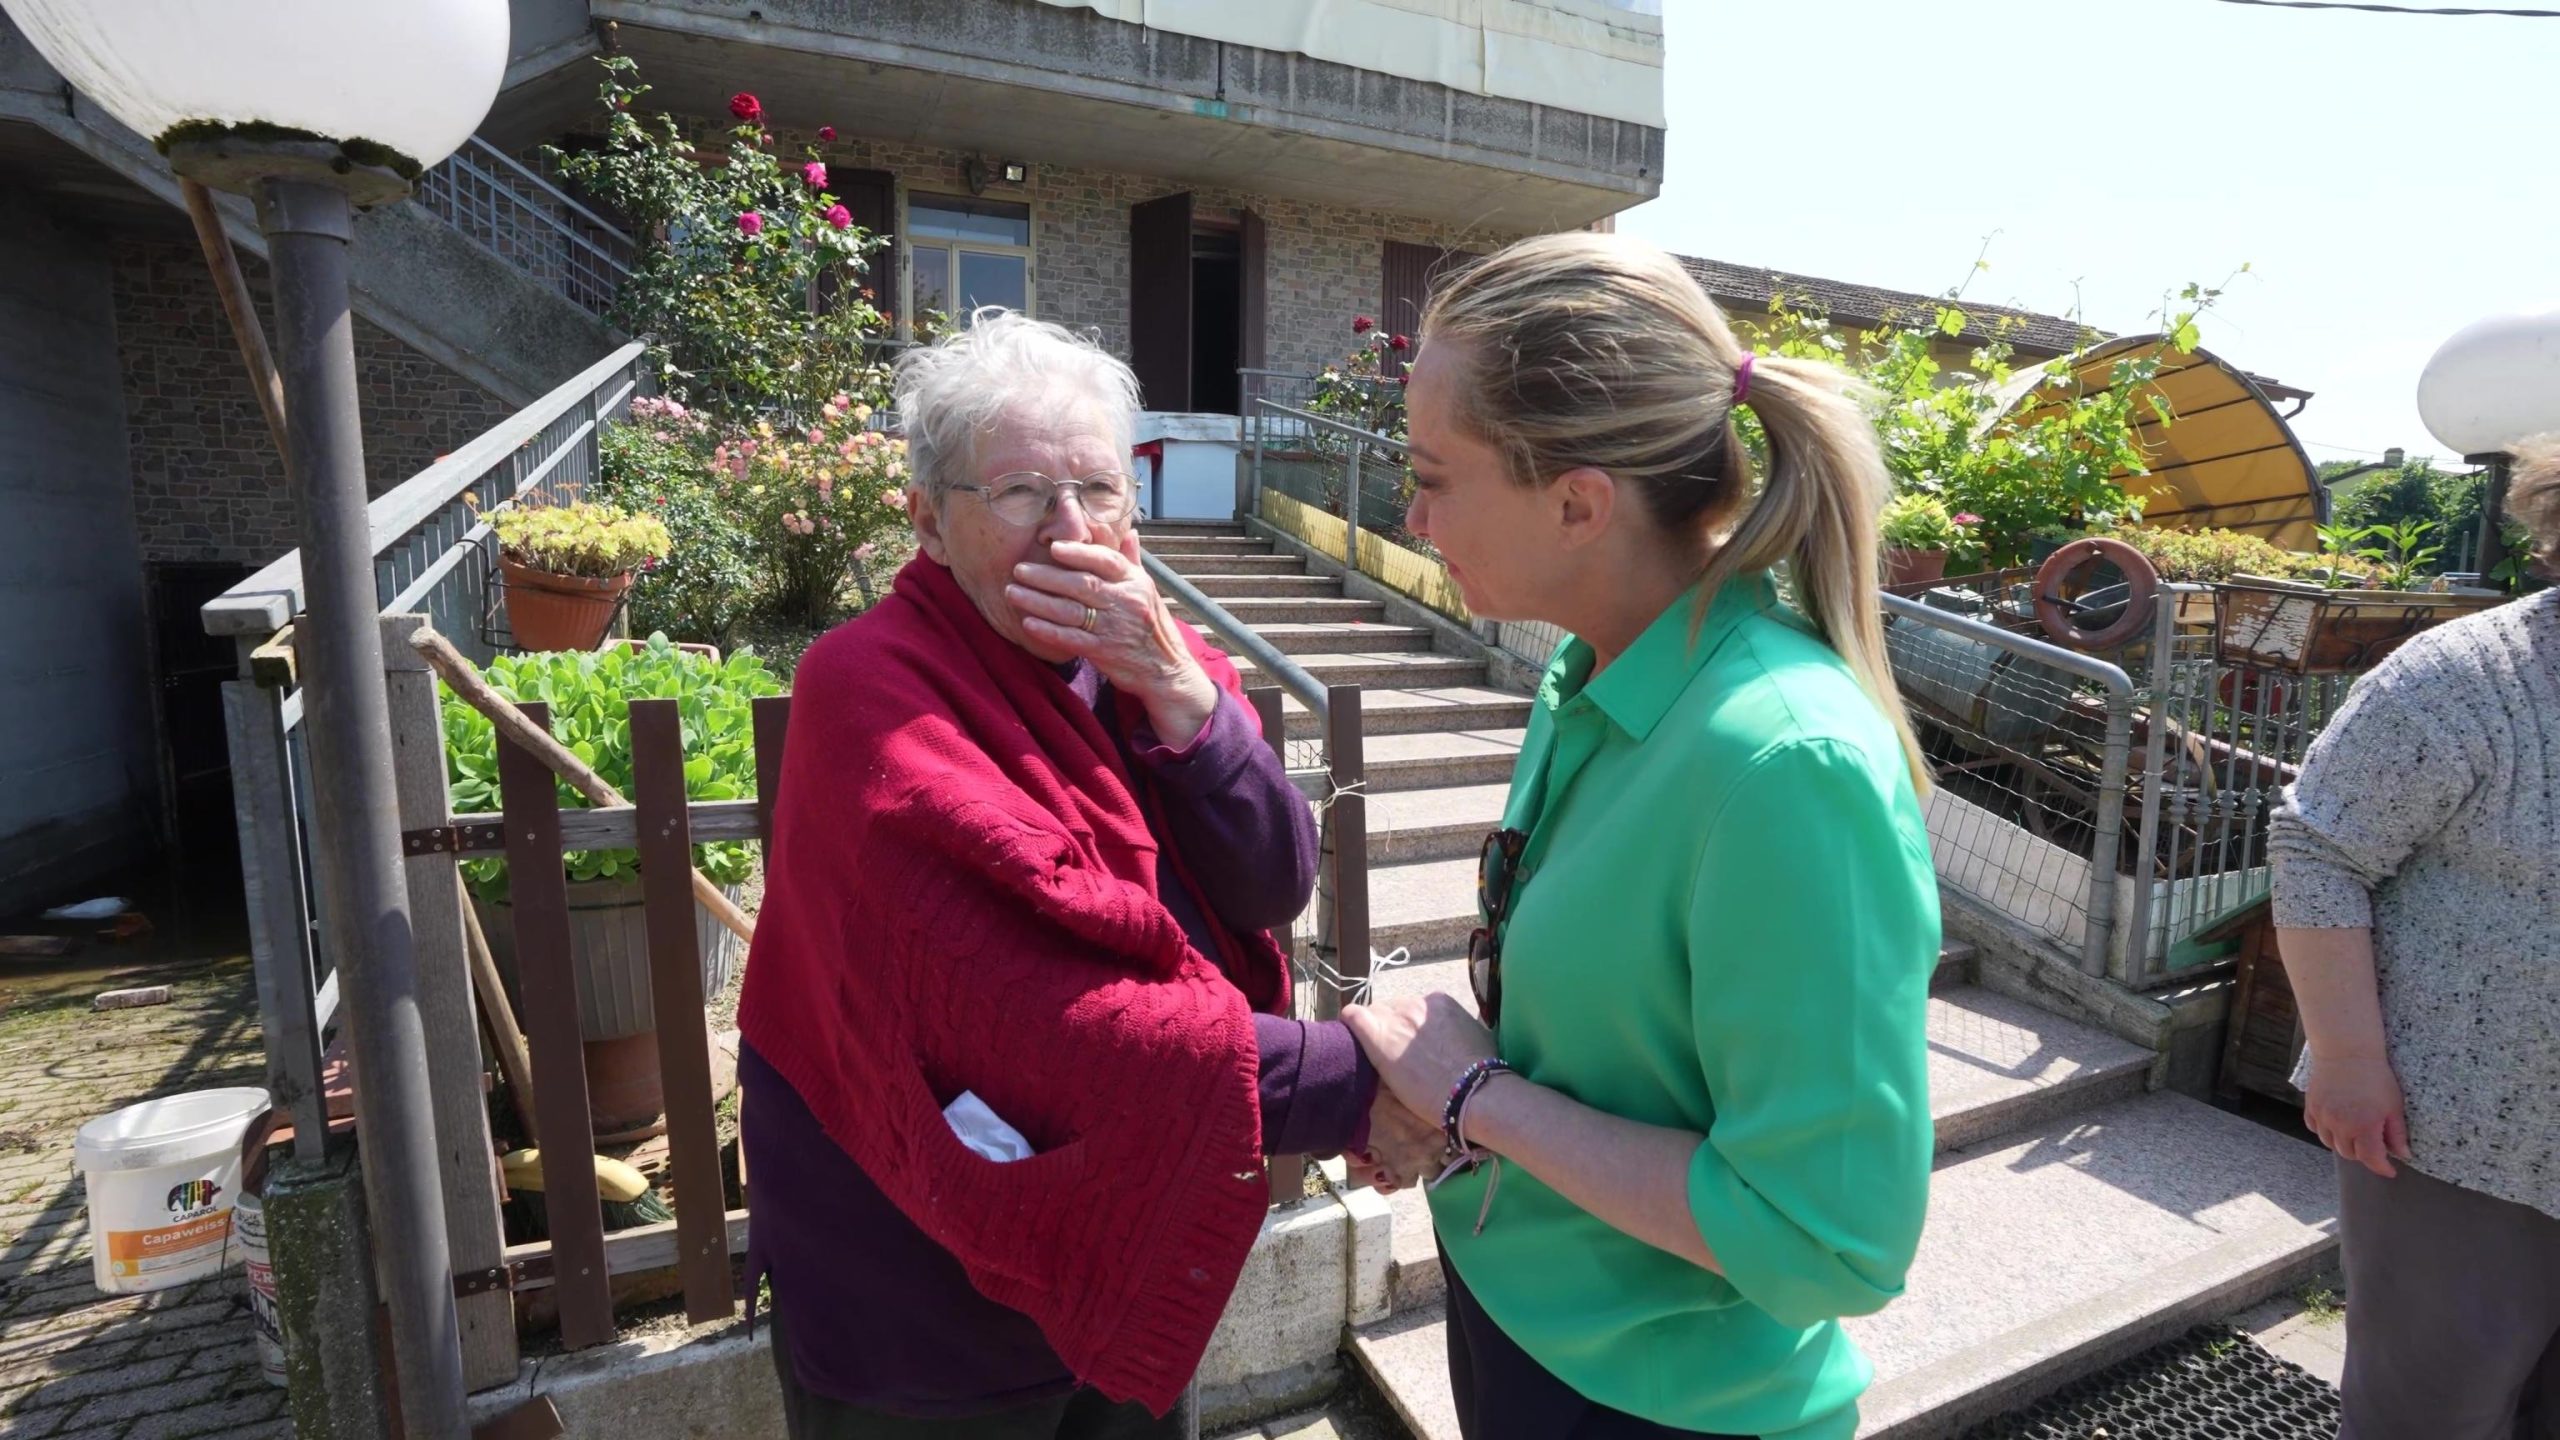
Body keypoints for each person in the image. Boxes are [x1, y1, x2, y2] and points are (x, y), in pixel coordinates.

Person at [736, 312, 1428, 1440]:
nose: (1070, 531)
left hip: (1135, 1221)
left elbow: (1271, 886)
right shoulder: (865, 686)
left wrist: (1184, 699)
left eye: (1101, 490)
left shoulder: (1161, 657)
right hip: (920, 1295)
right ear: (927, 521)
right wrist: (1368, 1078)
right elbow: (1033, 1011)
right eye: (1018, 493)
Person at [1338, 233, 1941, 1440]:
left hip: (1663, 1407)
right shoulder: (1591, 668)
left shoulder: (1782, 761)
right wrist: (1442, 1110)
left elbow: (1827, 1243)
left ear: (1577, 502)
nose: (1409, 508)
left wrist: (1475, 1096)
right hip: (1526, 1329)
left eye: (1434, 472)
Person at [2271, 433, 2560, 1440]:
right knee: (2430, 1414)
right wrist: (2349, 1061)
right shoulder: (2468, 679)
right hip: (2458, 1144)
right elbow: (2317, 852)